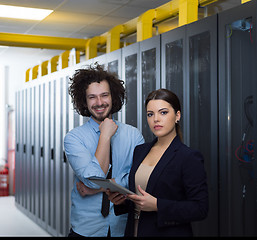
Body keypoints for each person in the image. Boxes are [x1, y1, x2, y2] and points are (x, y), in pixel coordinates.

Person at [108, 88, 209, 237]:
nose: (156, 119)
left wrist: (157, 205)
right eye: (150, 114)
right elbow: (140, 200)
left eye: (163, 112)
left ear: (177, 116)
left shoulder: (188, 157)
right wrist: (121, 202)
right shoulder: (140, 151)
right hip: (134, 231)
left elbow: (200, 209)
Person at [63, 63, 144, 237]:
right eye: (92, 97)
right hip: (86, 229)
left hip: (123, 227)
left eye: (104, 95)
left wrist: (99, 189)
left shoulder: (134, 135)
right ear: (84, 101)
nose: (99, 103)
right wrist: (105, 136)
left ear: (113, 97)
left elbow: (139, 181)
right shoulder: (74, 138)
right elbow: (94, 180)